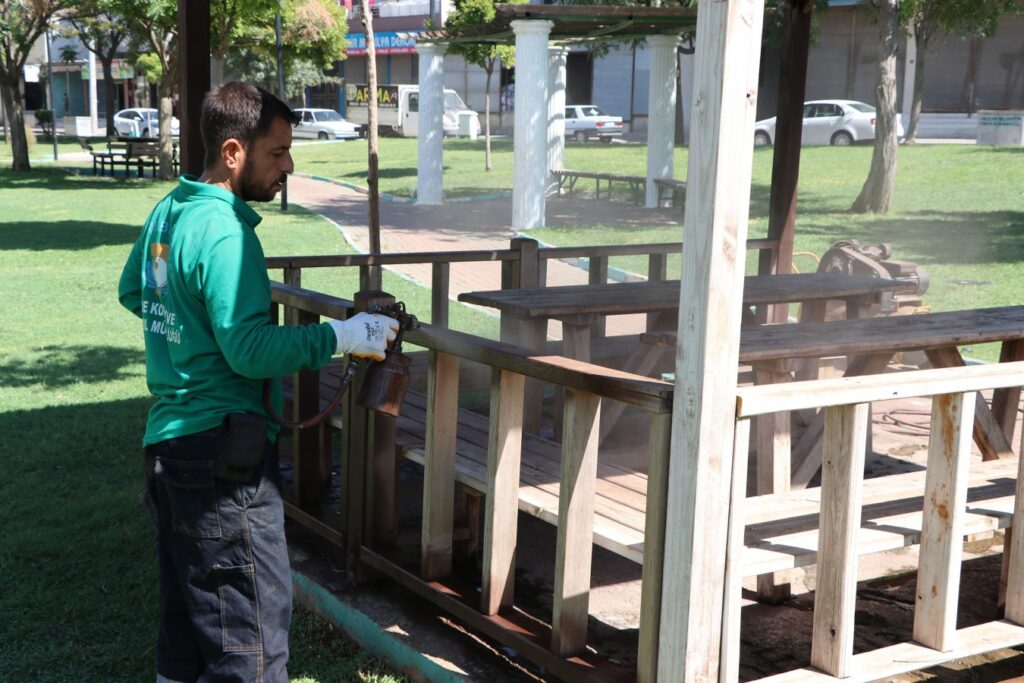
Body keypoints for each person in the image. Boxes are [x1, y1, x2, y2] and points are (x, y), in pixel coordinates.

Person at [117, 81, 399, 683]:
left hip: (169, 446)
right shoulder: (226, 232)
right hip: (222, 456)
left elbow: (133, 292)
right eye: (276, 153)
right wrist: (344, 337)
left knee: (188, 620)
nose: (288, 166)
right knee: (250, 637)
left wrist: (188, 337)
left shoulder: (171, 210)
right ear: (233, 152)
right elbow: (246, 350)